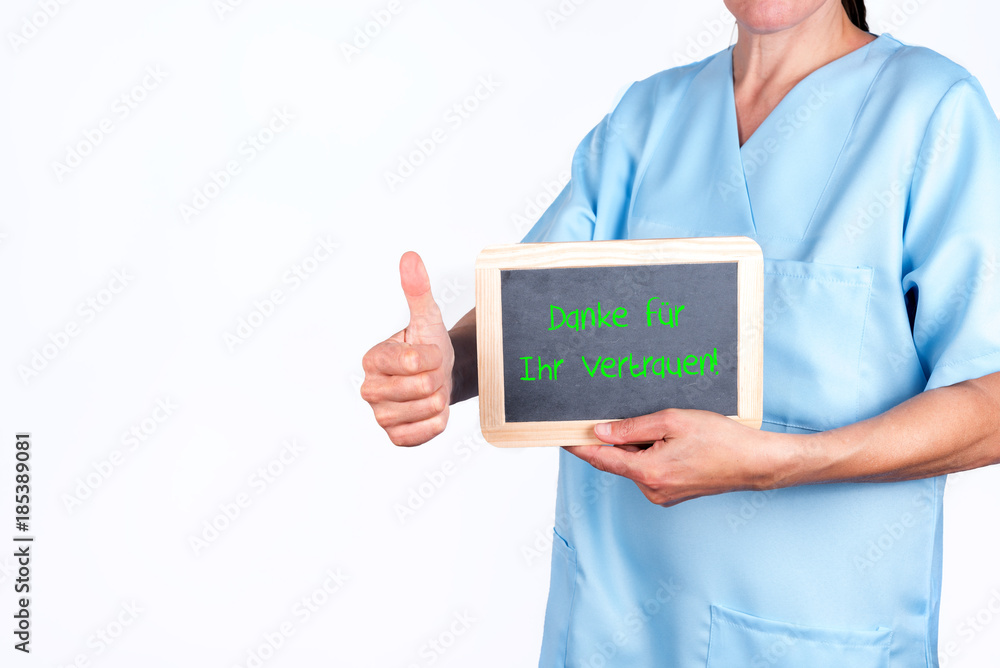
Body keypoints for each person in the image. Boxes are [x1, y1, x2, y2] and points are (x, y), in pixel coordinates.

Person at [361, 0, 1000, 665]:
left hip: (814, 641)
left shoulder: (932, 111)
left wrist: (779, 463)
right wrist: (445, 366)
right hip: (611, 630)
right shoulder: (647, 118)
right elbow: (528, 313)